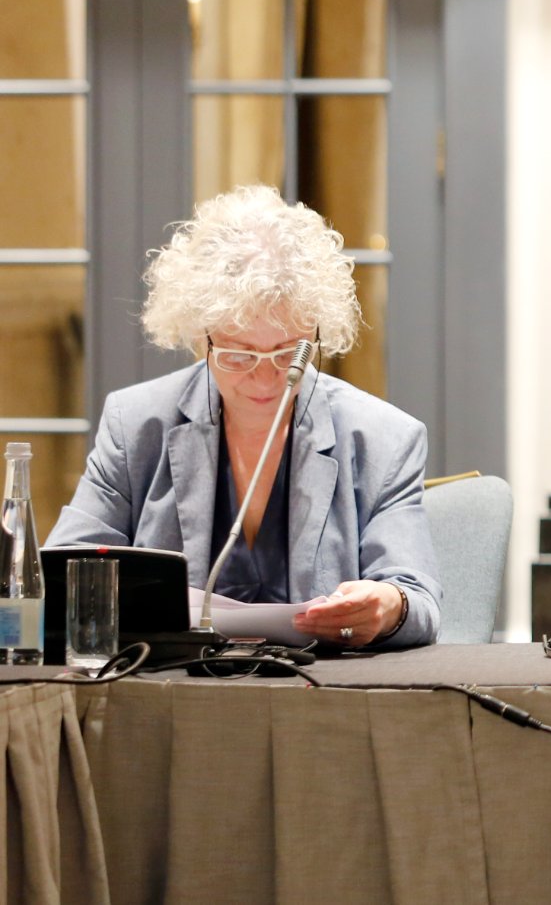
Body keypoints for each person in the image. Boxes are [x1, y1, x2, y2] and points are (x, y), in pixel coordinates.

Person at [49, 186, 440, 647]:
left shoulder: (385, 439)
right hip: (172, 680)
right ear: (202, 338)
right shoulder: (135, 424)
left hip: (321, 683)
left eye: (288, 354)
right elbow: (65, 571)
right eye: (239, 354)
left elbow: (418, 601)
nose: (265, 379)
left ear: (316, 335)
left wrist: (387, 605)